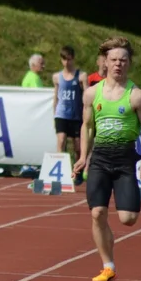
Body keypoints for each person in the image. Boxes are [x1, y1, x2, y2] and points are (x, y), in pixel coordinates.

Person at [73, 36, 141, 281]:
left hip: (124, 160)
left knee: (127, 219)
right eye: (114, 60)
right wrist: (82, 156)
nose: (118, 64)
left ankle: (109, 238)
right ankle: (108, 265)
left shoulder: (136, 96)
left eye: (123, 60)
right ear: (105, 62)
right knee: (97, 213)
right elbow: (87, 127)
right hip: (99, 159)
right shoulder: (91, 94)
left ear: (129, 64)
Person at [52, 45, 86, 185]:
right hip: (61, 114)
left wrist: (87, 113)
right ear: (61, 60)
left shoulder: (81, 76)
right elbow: (56, 96)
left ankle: (77, 171)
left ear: (73, 59)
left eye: (69, 60)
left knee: (77, 146)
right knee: (61, 141)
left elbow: (87, 95)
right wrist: (54, 113)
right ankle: (61, 172)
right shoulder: (57, 77)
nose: (67, 63)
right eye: (64, 60)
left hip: (76, 115)